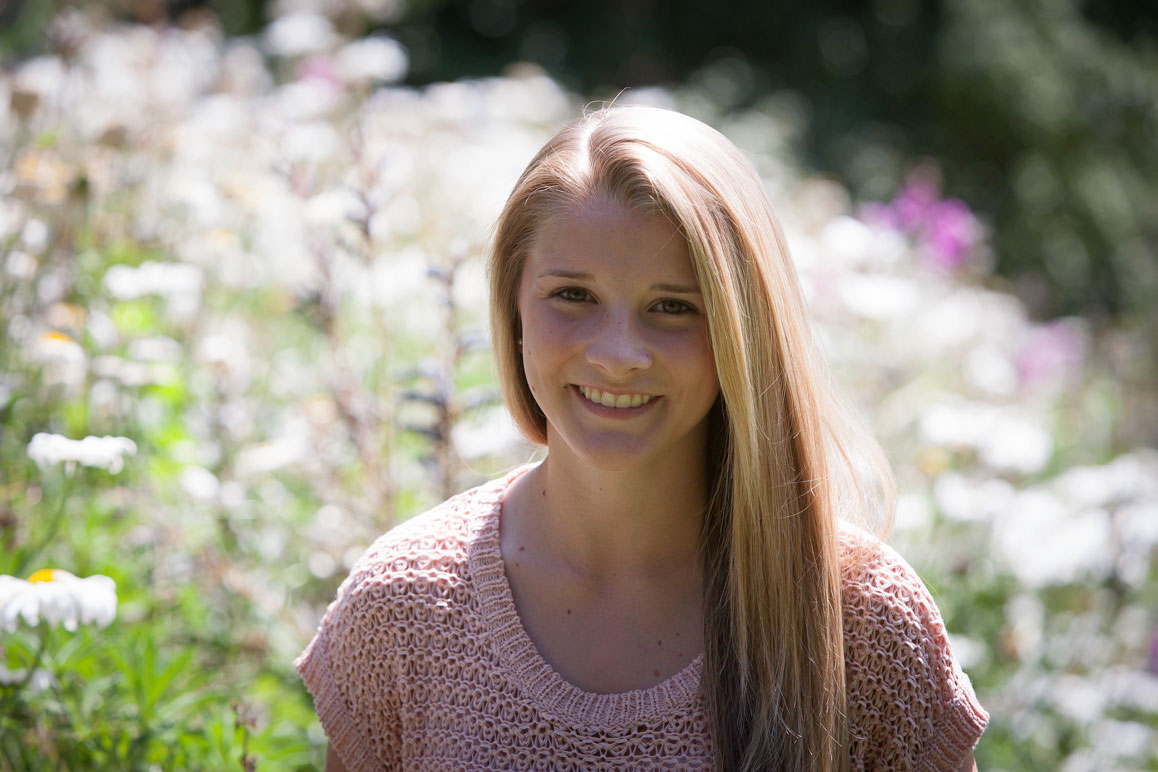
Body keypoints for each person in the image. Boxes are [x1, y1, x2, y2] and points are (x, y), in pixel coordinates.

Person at [295, 105, 989, 772]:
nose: (619, 353)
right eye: (573, 296)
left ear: (742, 330)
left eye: (672, 307)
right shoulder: (402, 608)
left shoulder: (860, 621)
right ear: (512, 308)